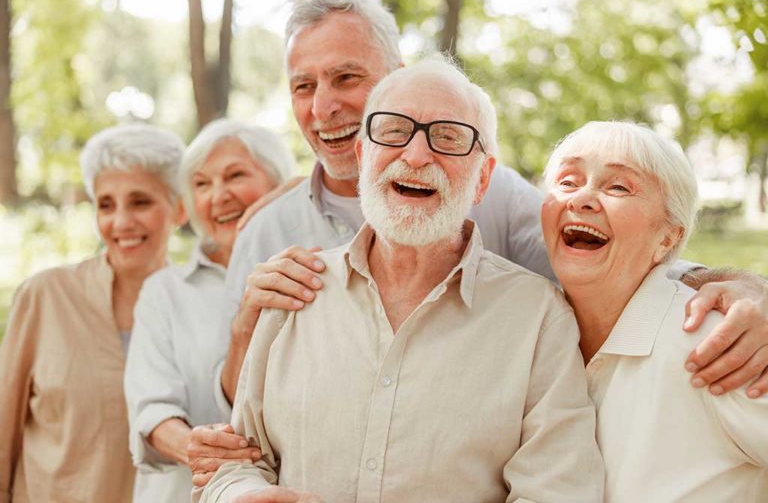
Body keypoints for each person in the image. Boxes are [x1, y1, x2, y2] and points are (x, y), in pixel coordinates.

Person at [188, 0, 768, 481]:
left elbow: (610, 254)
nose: (324, 105)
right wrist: (247, 337)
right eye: (303, 86)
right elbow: (238, 433)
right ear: (366, 150)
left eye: (346, 77)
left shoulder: (509, 224)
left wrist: (736, 286)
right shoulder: (267, 231)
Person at [197, 55, 604, 503]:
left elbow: (555, 491)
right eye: (393, 132)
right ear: (362, 156)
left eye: (447, 137)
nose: (416, 155)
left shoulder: (538, 318)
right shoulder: (293, 293)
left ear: (482, 179)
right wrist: (241, 494)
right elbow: (235, 460)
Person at [540, 121, 768, 501]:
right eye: (567, 181)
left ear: (668, 237)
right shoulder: (532, 335)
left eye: (618, 187)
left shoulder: (715, 344)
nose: (581, 199)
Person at [0, 124, 186, 502]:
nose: (120, 222)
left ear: (180, 209)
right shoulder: (45, 296)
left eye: (140, 202)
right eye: (105, 205)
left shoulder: (198, 307)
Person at [123, 119, 295, 502]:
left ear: (278, 183)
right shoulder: (165, 292)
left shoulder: (311, 270)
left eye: (235, 176)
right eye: (201, 184)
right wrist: (198, 448)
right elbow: (151, 409)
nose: (218, 196)